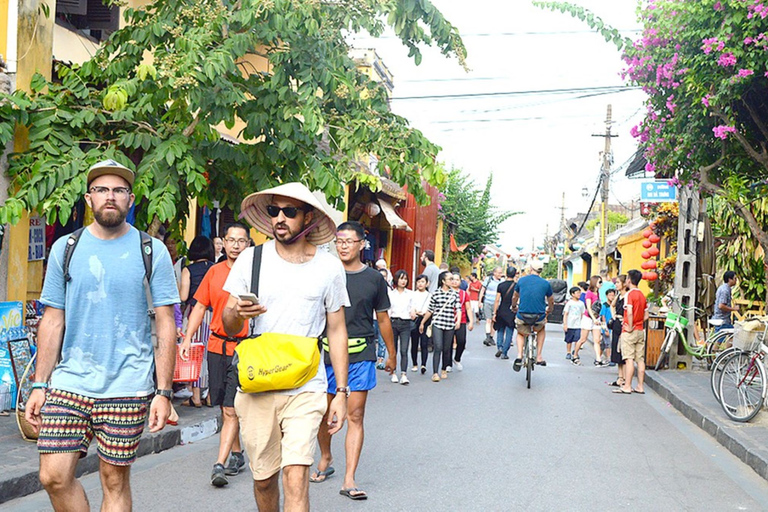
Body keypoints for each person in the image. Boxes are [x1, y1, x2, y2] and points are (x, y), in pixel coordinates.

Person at [26, 159, 179, 511]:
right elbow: (52, 319)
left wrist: (164, 392)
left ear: (130, 198)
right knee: (53, 475)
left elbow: (166, 322)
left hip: (128, 383)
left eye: (119, 190)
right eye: (102, 190)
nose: (110, 196)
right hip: (70, 382)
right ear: (88, 198)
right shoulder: (66, 247)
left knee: (113, 479)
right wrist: (39, 384)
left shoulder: (150, 251)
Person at [221, 182, 351, 511]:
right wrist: (237, 312)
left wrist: (341, 393)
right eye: (274, 210)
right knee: (264, 480)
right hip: (258, 383)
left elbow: (337, 330)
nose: (280, 217)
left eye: (289, 211)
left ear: (308, 218)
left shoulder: (328, 267)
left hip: (307, 384)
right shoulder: (251, 259)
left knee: (296, 475)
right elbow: (228, 323)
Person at [312, 221, 396, 501]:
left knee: (355, 415)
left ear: (362, 244)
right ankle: (325, 457)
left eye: (349, 241)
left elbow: (383, 319)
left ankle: (349, 478)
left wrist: (392, 354)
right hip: (324, 354)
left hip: (361, 354)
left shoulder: (374, 279)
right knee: (325, 415)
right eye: (339, 241)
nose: (343, 246)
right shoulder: (324, 273)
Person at [180, 223, 251, 487]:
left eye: (240, 241)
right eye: (230, 240)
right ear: (223, 242)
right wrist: (187, 338)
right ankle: (236, 453)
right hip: (215, 346)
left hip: (244, 347)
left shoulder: (254, 274)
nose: (235, 245)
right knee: (222, 404)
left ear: (248, 244)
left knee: (231, 408)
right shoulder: (214, 272)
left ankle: (219, 464)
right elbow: (199, 307)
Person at [179, 235, 215, 409]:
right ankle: (210, 395)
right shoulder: (216, 269)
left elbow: (183, 296)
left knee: (195, 352)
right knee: (211, 353)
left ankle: (196, 396)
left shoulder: (189, 270)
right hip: (214, 314)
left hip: (195, 313)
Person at [511, 260, 554, 370]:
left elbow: (515, 297)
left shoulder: (521, 281)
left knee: (520, 333)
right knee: (541, 329)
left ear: (530, 269)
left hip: (523, 315)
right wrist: (550, 309)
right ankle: (539, 356)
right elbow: (551, 300)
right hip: (538, 316)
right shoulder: (545, 283)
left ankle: (519, 355)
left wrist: (514, 306)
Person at [419, 271, 460, 382]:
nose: (452, 281)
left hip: (449, 324)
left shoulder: (455, 294)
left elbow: (458, 308)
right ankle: (435, 373)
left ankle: (443, 369)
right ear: (443, 281)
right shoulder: (436, 293)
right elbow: (430, 310)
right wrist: (423, 322)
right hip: (437, 323)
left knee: (447, 348)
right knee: (438, 346)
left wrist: (458, 321)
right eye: (450, 279)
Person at [614, 270, 649, 395]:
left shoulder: (629, 295)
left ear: (629, 280)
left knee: (629, 359)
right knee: (640, 359)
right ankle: (640, 386)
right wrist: (638, 322)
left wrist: (630, 325)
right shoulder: (642, 295)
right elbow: (646, 315)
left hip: (630, 331)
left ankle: (627, 386)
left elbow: (629, 312)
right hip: (640, 330)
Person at [389, 269, 415, 384]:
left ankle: (404, 374)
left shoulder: (410, 294)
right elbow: (388, 310)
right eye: (401, 278)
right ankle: (393, 372)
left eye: (405, 279)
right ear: (396, 279)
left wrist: (413, 312)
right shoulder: (391, 294)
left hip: (405, 323)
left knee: (404, 349)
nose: (403, 281)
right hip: (393, 322)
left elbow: (412, 307)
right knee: (393, 349)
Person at [572, 275, 604, 366]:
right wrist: (594, 319)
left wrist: (598, 318)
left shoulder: (598, 293)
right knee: (583, 339)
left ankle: (598, 359)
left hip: (596, 318)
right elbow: (589, 308)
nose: (601, 284)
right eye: (599, 282)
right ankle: (575, 355)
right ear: (594, 283)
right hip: (588, 318)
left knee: (597, 340)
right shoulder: (589, 293)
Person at [450, 269, 474, 370]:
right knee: (447, 344)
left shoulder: (464, 294)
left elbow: (468, 308)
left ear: (460, 282)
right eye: (452, 279)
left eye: (457, 280)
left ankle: (457, 358)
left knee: (462, 341)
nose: (454, 282)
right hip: (448, 320)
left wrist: (471, 321)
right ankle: (447, 364)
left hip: (462, 320)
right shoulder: (446, 292)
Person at [492, 266, 517, 360]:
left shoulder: (501, 285)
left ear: (506, 274)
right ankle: (504, 352)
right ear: (515, 274)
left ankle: (500, 347)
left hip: (501, 310)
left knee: (500, 330)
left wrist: (494, 312)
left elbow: (497, 300)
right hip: (511, 310)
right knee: (509, 331)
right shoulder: (517, 286)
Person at [608, 275, 628, 387]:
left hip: (624, 325)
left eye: (618, 283)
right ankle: (620, 377)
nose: (616, 285)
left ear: (625, 284)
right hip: (617, 325)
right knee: (616, 351)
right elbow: (612, 305)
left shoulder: (628, 296)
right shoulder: (619, 296)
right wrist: (614, 316)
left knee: (623, 351)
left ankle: (624, 378)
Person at [410, 274, 432, 374]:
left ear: (427, 283)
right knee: (414, 342)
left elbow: (430, 309)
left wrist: (423, 317)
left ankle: (423, 364)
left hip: (426, 319)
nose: (420, 284)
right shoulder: (412, 294)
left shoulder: (429, 295)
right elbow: (411, 306)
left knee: (424, 342)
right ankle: (415, 363)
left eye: (422, 282)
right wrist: (415, 312)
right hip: (415, 319)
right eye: (418, 282)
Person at [479, 266, 504, 346]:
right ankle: (488, 336)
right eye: (499, 273)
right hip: (488, 302)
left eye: (501, 272)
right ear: (494, 273)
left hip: (498, 303)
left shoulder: (502, 281)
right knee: (488, 320)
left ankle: (491, 337)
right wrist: (479, 301)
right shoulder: (488, 280)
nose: (501, 274)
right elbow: (482, 290)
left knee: (494, 321)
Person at [562, 286, 585, 360]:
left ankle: (575, 352)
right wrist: (565, 324)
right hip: (570, 324)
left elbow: (582, 314)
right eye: (577, 293)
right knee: (569, 340)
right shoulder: (569, 303)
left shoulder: (581, 303)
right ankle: (568, 352)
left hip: (578, 325)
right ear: (572, 294)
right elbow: (566, 314)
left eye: (579, 293)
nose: (579, 294)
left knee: (577, 339)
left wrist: (582, 323)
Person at [600, 289, 617, 365]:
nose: (612, 297)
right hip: (607, 327)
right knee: (608, 344)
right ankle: (608, 359)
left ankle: (598, 357)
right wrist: (605, 328)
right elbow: (603, 317)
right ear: (606, 296)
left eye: (613, 295)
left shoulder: (615, 306)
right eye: (610, 295)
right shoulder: (605, 305)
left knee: (603, 344)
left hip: (613, 327)